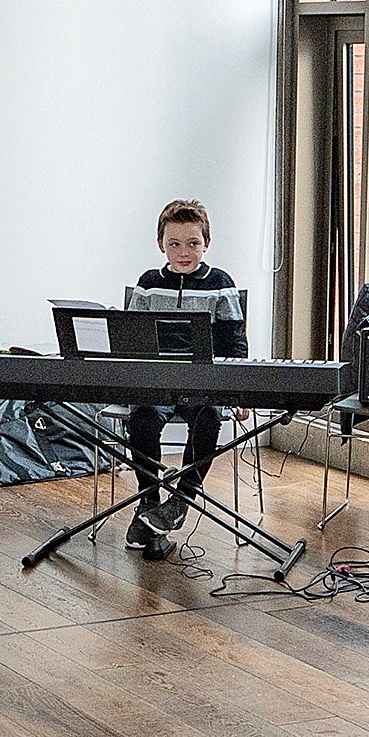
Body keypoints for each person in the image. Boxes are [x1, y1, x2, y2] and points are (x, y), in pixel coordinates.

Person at [121, 200, 237, 559]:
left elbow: (235, 342)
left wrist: (237, 393)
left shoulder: (220, 284)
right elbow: (128, 340)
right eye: (174, 244)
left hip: (204, 385)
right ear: (161, 244)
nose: (183, 252)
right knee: (141, 422)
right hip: (157, 384)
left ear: (207, 243)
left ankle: (181, 499)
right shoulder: (148, 284)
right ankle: (149, 502)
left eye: (193, 243)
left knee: (208, 420)